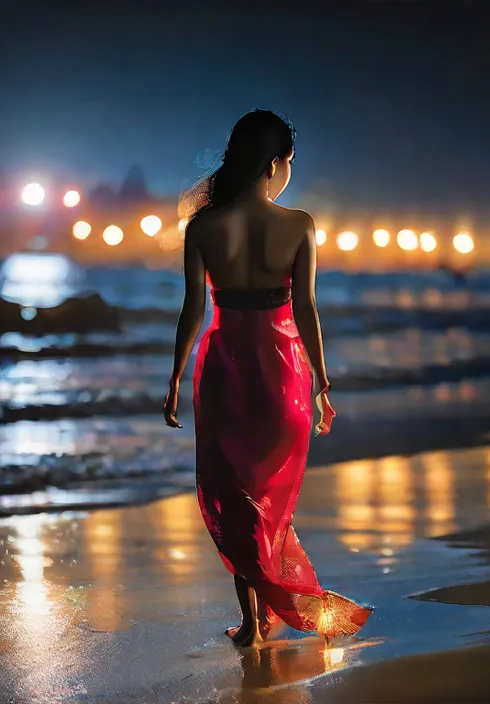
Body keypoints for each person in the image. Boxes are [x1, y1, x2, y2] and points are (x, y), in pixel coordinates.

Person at [163, 109, 372, 647]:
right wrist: (322, 382)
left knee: (236, 500)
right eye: (289, 163)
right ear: (275, 163)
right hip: (283, 372)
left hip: (225, 369)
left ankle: (254, 623)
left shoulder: (204, 226)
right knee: (267, 500)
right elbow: (306, 310)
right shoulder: (299, 224)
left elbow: (192, 311)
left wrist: (174, 377)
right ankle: (265, 613)